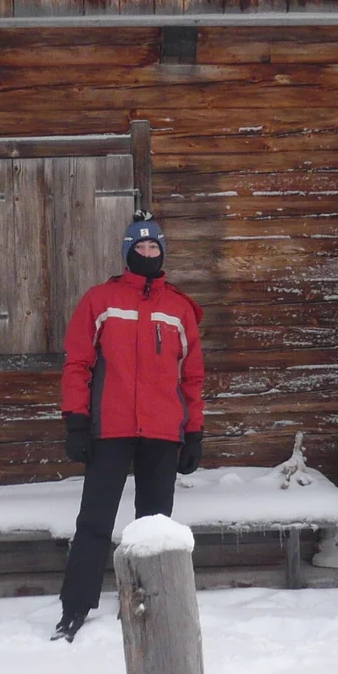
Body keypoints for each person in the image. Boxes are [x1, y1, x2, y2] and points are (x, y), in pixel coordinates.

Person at [53, 213, 205, 642]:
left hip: (161, 431)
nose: (147, 254)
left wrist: (193, 431)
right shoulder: (100, 300)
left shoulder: (178, 308)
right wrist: (76, 422)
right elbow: (78, 363)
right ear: (126, 253)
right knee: (95, 522)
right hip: (111, 428)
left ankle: (150, 607)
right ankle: (75, 607)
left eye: (154, 248)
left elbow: (192, 376)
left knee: (153, 526)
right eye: (139, 248)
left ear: (162, 253)